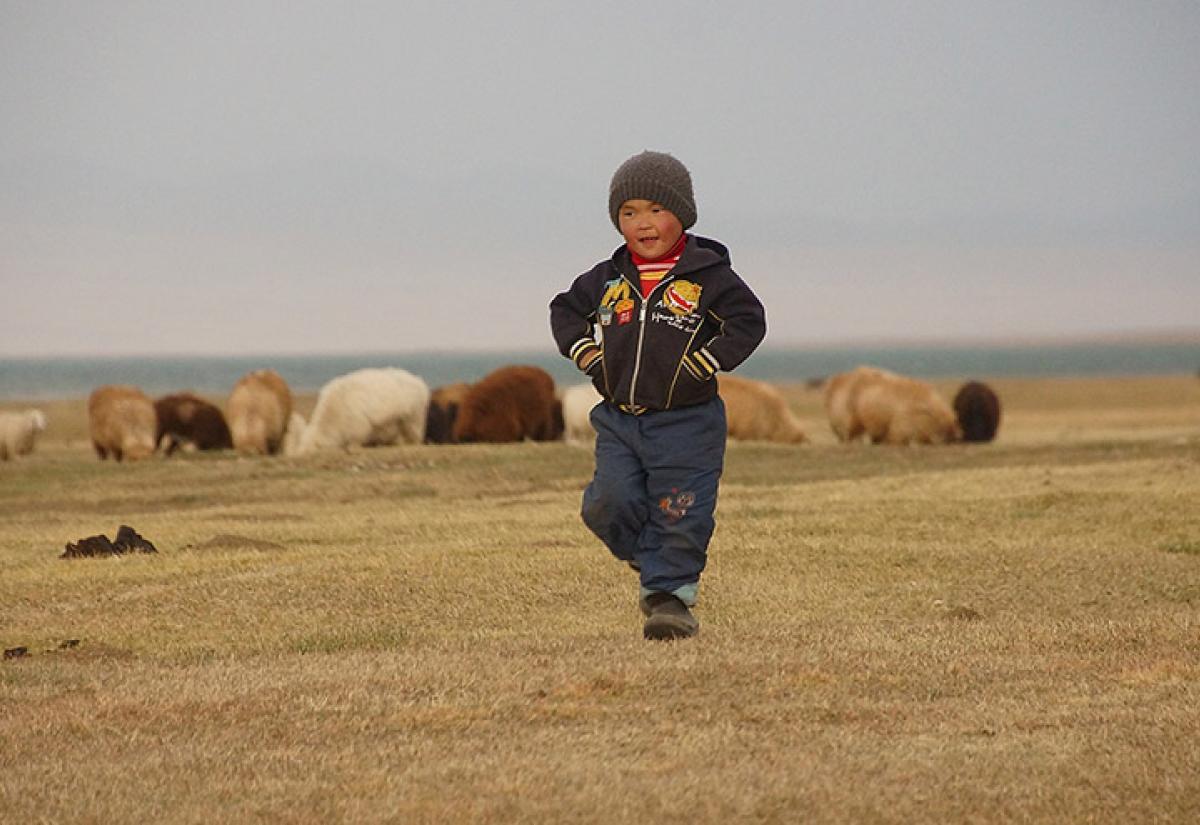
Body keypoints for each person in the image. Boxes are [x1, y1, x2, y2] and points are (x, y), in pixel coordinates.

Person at [549, 150, 767, 640]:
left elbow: (749, 322)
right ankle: (648, 558)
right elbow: (564, 311)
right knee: (607, 503)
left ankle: (670, 601)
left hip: (687, 423)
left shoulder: (709, 276)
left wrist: (706, 362)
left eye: (655, 210)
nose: (643, 223)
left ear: (682, 214)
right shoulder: (607, 278)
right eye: (629, 213)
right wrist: (588, 355)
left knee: (680, 510)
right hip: (620, 419)